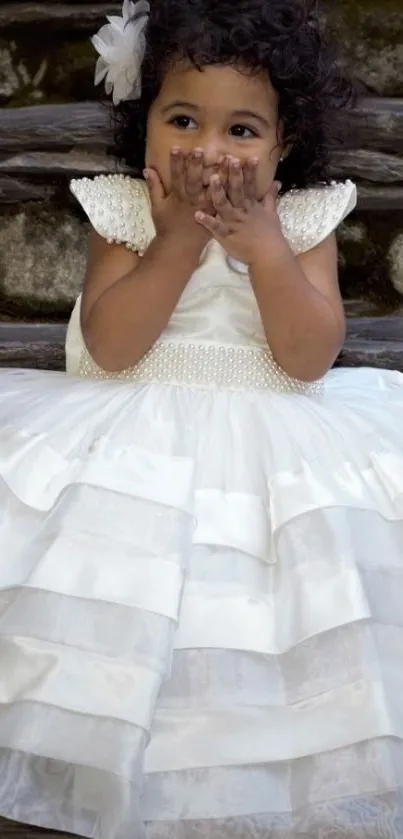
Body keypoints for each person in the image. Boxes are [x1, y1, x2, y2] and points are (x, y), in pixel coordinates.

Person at [0, 0, 403, 836]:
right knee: (125, 601)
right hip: (131, 443)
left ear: (284, 144)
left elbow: (305, 357)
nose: (209, 149)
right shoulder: (125, 212)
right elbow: (111, 348)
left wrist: (263, 251)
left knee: (253, 614)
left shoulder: (301, 220)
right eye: (182, 118)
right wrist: (175, 242)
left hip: (272, 445)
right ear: (143, 120)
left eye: (243, 130)